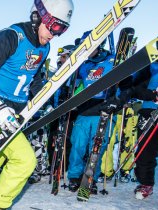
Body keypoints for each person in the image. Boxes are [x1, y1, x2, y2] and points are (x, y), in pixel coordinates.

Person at [0, 0, 74, 208]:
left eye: (61, 29)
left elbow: (33, 78)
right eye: (53, 26)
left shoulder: (45, 47)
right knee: (25, 161)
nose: (54, 34)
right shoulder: (11, 37)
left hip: (18, 113)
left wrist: (43, 101)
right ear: (38, 16)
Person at [67, 30, 116, 194]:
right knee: (78, 147)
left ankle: (90, 179)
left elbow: (126, 82)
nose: (87, 50)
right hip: (84, 110)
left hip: (102, 110)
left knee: (97, 148)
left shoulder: (112, 59)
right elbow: (74, 85)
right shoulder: (82, 64)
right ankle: (74, 178)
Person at [131, 27, 158, 200]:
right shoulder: (152, 64)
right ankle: (145, 183)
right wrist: (153, 95)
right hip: (150, 109)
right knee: (145, 149)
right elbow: (136, 88)